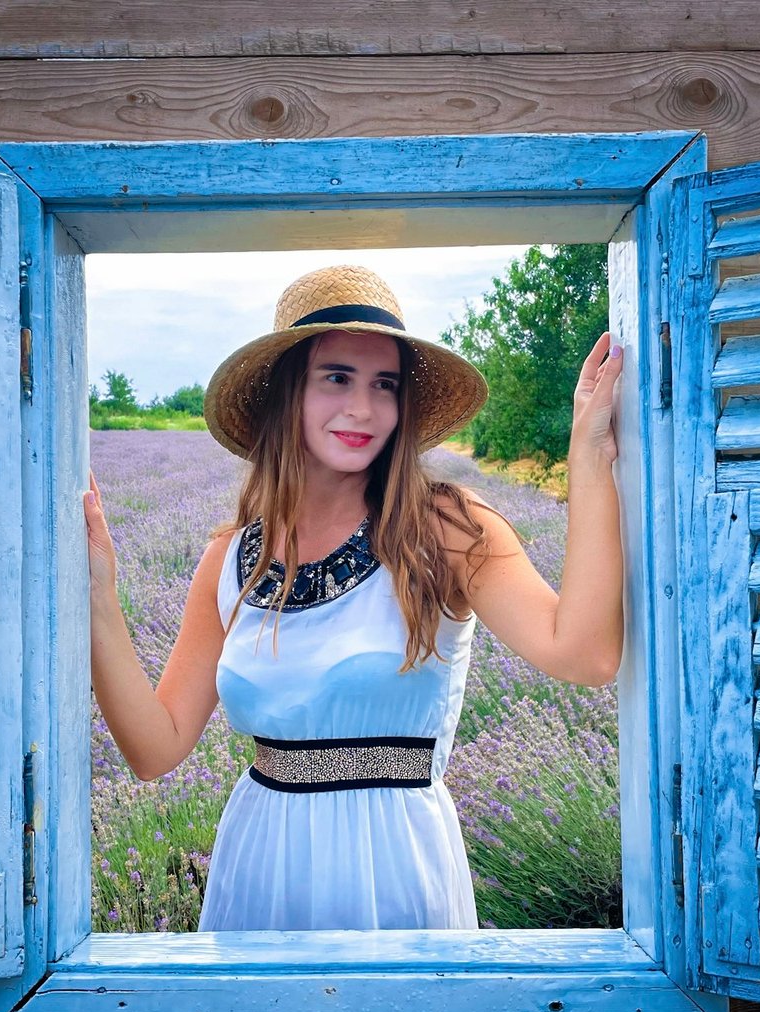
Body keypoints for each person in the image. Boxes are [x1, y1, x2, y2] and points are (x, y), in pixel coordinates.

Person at [84, 264, 623, 932]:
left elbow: (586, 655)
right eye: (336, 377)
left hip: (397, 869)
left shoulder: (446, 529)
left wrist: (589, 455)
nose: (363, 409)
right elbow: (153, 749)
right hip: (260, 869)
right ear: (289, 395)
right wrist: (99, 600)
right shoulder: (229, 561)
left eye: (384, 385)